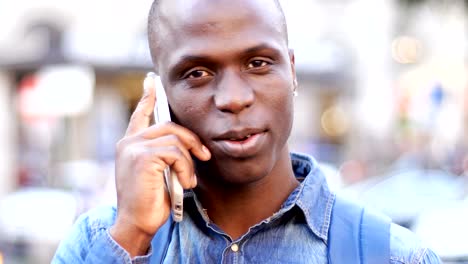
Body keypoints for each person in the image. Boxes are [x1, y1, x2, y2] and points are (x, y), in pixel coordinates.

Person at [52, 0, 442, 263]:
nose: (234, 98)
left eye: (257, 63)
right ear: (159, 97)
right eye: (198, 73)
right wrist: (132, 235)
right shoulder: (100, 242)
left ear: (291, 71)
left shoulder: (393, 254)